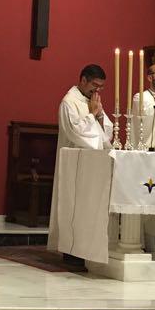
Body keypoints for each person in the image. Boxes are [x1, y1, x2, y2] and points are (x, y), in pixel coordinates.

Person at [48, 64, 113, 265]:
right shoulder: (69, 102)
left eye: (101, 87)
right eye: (94, 85)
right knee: (74, 207)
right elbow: (76, 133)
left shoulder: (91, 101)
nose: (98, 91)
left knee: (90, 207)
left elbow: (106, 135)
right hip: (75, 165)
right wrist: (92, 114)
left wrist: (100, 115)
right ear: (83, 80)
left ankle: (89, 250)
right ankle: (72, 252)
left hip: (93, 165)